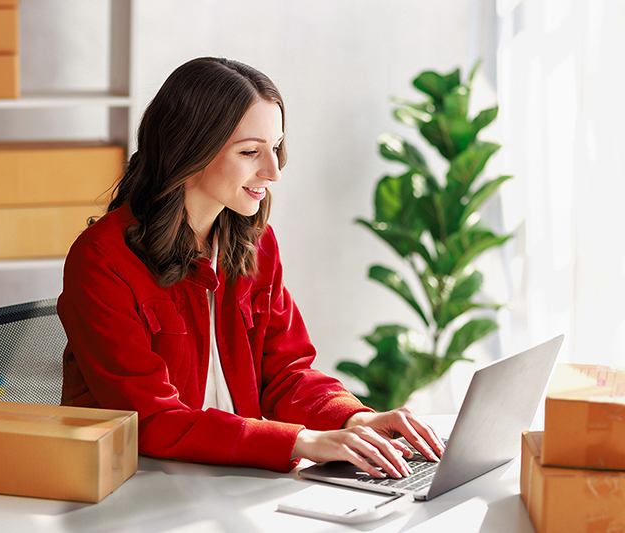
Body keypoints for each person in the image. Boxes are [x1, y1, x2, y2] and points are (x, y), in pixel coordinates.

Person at [58, 57, 444, 477]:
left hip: (234, 478)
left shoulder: (254, 244)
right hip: (136, 484)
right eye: (250, 152)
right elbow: (151, 419)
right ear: (190, 148)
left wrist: (356, 419)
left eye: (276, 148)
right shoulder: (101, 260)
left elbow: (287, 372)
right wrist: (302, 441)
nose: (274, 171)